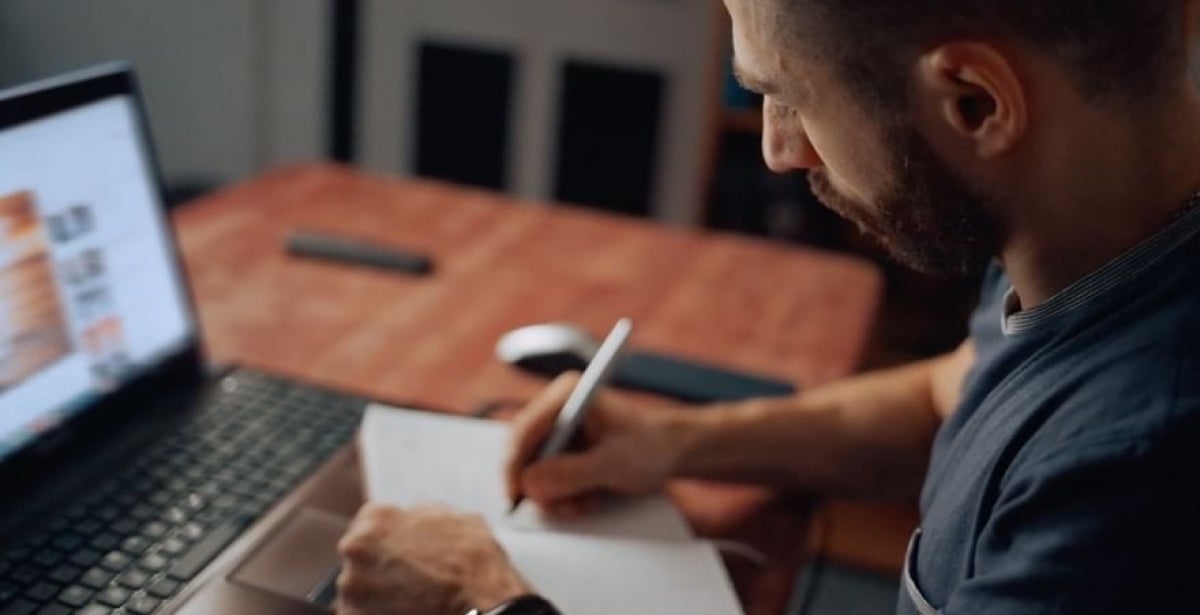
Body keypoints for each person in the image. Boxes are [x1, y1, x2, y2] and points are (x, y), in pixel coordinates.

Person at [333, 0, 1200, 613]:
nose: (780, 149)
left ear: (974, 102)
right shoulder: (1083, 228)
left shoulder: (1134, 474)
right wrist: (674, 443)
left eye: (787, 93)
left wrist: (480, 602)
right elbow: (955, 391)